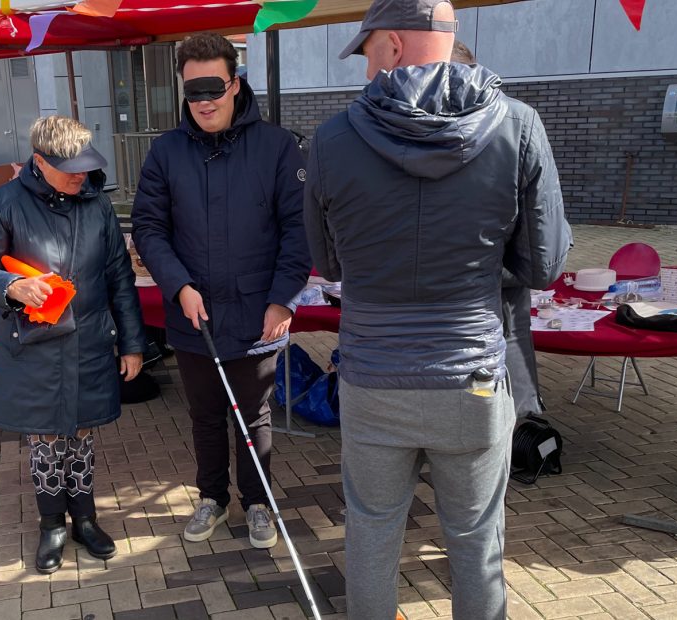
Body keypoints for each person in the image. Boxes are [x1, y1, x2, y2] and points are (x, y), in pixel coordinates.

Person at [304, 1, 571, 618]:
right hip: (470, 380)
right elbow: (546, 265)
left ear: (393, 45)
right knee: (478, 541)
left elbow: (330, 266)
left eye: (366, 51)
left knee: (371, 531)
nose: (365, 66)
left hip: (373, 376)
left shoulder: (331, 138)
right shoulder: (520, 125)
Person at [131, 32, 311, 549]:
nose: (204, 101)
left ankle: (258, 502)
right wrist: (179, 284)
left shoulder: (277, 148)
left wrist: (282, 299)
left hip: (258, 311)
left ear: (235, 84)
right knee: (206, 414)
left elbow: (299, 231)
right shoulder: (165, 152)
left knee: (254, 414)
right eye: (193, 91)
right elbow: (148, 227)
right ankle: (212, 496)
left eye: (214, 88)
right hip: (193, 314)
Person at [0, 116, 144, 573]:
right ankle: (52, 525)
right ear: (38, 161)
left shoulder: (98, 206)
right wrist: (11, 286)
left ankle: (85, 519)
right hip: (33, 343)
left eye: (85, 165)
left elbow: (119, 278)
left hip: (88, 338)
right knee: (45, 441)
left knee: (81, 436)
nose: (80, 175)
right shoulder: (3, 202)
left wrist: (132, 343)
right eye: (70, 167)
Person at [452, 39, 544, 418]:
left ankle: (516, 428)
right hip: (498, 281)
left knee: (490, 368)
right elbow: (544, 247)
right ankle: (518, 428)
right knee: (498, 363)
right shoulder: (516, 124)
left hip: (484, 287)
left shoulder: (515, 124)